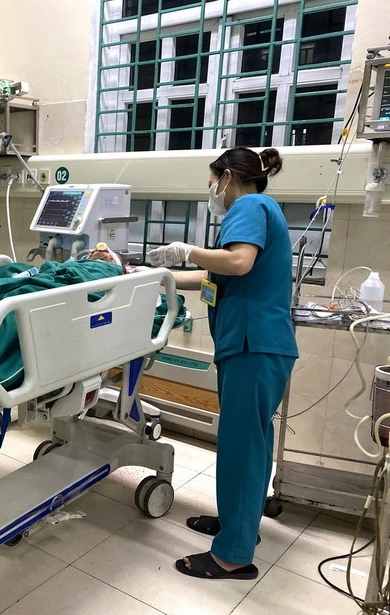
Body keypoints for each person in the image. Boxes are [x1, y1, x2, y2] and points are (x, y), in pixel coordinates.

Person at [147, 146, 298, 580]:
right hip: (256, 345)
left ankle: (233, 555)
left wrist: (187, 249)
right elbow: (215, 275)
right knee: (249, 442)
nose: (211, 188)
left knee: (242, 446)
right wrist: (151, 276)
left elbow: (237, 262)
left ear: (227, 176)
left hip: (255, 345)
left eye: (212, 179)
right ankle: (237, 524)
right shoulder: (262, 209)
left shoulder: (249, 205)